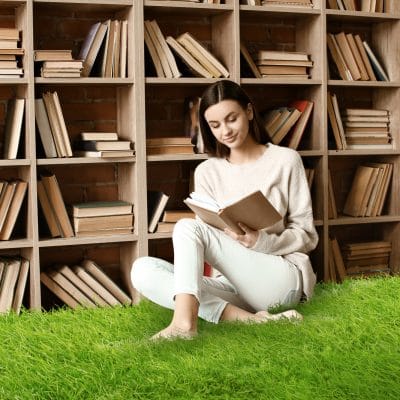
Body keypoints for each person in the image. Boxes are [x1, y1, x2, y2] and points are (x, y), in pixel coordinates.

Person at [131, 80, 318, 340]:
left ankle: (184, 325)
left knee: (186, 226)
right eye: (215, 125)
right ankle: (254, 322)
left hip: (279, 279)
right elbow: (205, 242)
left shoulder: (285, 160)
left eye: (232, 119)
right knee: (142, 270)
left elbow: (307, 235)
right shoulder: (207, 171)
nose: (225, 131)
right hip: (232, 284)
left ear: (249, 112)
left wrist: (261, 241)